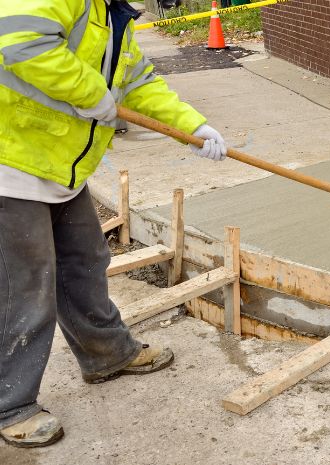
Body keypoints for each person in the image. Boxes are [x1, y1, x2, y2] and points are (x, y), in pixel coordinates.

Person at [0, 0, 227, 447]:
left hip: (60, 166)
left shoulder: (114, 20)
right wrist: (92, 95)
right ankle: (11, 404)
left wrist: (195, 127)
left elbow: (139, 84)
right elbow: (19, 39)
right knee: (24, 285)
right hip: (11, 162)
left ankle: (107, 354)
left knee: (85, 261)